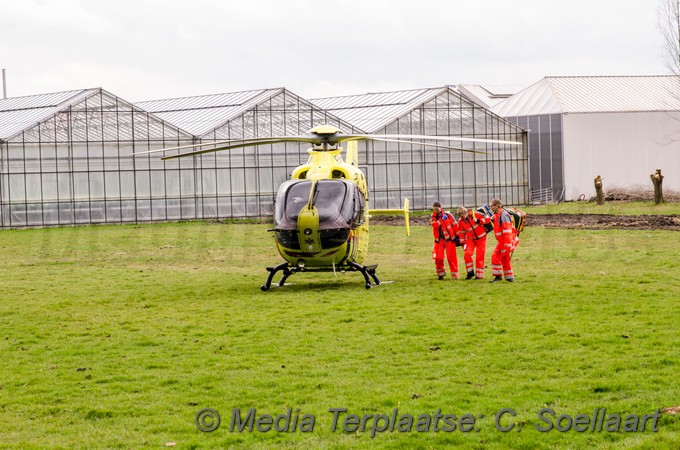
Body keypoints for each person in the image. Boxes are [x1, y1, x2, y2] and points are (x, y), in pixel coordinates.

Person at [456, 206, 491, 280]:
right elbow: (462, 233)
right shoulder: (461, 221)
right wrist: (462, 243)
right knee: (467, 254)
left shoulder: (475, 214)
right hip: (470, 239)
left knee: (479, 256)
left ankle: (479, 275)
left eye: (462, 215)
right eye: (460, 216)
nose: (461, 217)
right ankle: (470, 272)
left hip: (481, 238)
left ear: (466, 212)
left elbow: (487, 220)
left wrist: (478, 221)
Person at [489, 198, 517, 282]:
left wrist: (507, 245)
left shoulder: (503, 216)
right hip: (503, 241)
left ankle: (498, 276)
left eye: (492, 206)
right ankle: (509, 277)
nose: (490, 207)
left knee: (495, 256)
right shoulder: (497, 215)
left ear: (497, 206)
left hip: (506, 242)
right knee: (505, 259)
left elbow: (507, 232)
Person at [430, 202, 459, 280]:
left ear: (440, 207)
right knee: (438, 257)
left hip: (450, 239)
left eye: (437, 209)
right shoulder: (433, 217)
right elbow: (434, 225)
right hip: (439, 240)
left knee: (451, 258)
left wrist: (458, 236)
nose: (436, 211)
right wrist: (442, 220)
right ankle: (441, 273)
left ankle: (455, 274)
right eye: (434, 209)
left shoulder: (448, 215)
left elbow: (455, 225)